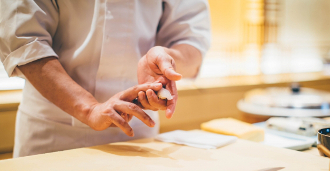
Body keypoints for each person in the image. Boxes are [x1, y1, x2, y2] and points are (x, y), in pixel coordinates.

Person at [0, 0, 211, 157]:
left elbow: (191, 38)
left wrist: (168, 61)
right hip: (53, 134)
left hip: (138, 134)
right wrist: (89, 108)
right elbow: (23, 40)